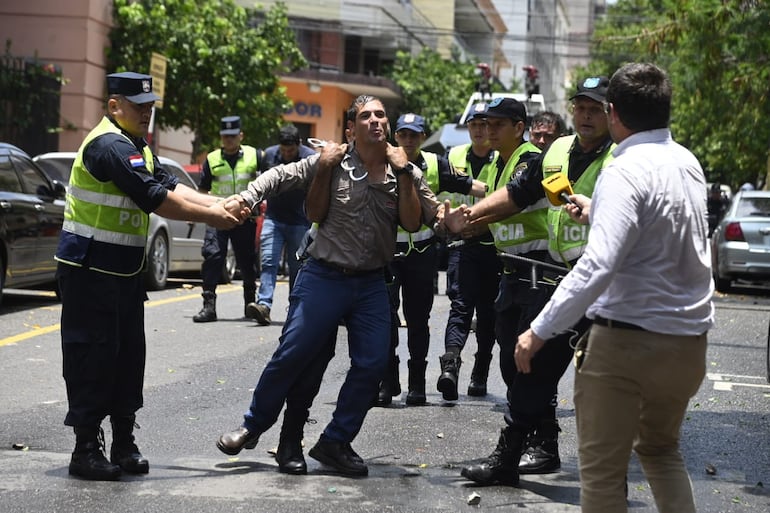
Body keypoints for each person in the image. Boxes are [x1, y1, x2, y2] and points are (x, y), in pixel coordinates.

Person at [516, 62, 713, 513]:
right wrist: (598, 208)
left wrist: (538, 330)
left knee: (602, 477)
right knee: (661, 451)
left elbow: (598, 265)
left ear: (613, 112)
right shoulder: (687, 163)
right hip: (687, 345)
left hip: (626, 343)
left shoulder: (623, 170)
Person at [216, 95, 440, 477]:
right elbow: (279, 176)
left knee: (372, 364)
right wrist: (246, 197)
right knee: (296, 355)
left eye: (381, 115)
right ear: (351, 128)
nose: (375, 121)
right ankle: (254, 427)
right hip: (324, 275)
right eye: (366, 116)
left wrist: (462, 214)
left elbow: (425, 218)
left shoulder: (405, 169)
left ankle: (335, 441)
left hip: (371, 282)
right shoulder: (330, 161)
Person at [55, 72, 246, 481]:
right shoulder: (108, 145)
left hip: (122, 272)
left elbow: (170, 183)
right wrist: (216, 216)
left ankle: (124, 440)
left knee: (127, 357)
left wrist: (219, 201)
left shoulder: (136, 145)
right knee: (91, 356)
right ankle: (85, 448)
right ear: (114, 106)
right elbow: (155, 198)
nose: (147, 112)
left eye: (150, 105)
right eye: (138, 105)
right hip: (89, 272)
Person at [446, 77, 615, 484]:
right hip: (562, 281)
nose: (587, 116)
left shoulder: (620, 159)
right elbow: (518, 194)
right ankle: (527, 451)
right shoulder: (555, 150)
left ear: (611, 113)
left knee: (602, 385)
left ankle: (601, 472)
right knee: (530, 364)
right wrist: (470, 216)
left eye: (596, 109)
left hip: (607, 287)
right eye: (581, 107)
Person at [377, 112, 486, 406]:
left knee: (418, 320)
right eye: (403, 134)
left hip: (423, 253)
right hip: (387, 253)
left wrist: (510, 196)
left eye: (414, 135)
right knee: (385, 319)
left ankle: (416, 385)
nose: (409, 140)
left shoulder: (437, 164)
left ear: (423, 137)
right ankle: (388, 382)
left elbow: (472, 186)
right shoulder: (379, 162)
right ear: (395, 136)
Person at [437, 104, 500, 399]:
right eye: (473, 123)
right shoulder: (454, 156)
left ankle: (481, 371)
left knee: (488, 313)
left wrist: (484, 225)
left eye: (484, 123)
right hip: (462, 245)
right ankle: (450, 366)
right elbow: (447, 196)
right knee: (460, 306)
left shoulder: (502, 158)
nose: (478, 128)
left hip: (493, 248)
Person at [193, 115, 262, 323]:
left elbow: (263, 184)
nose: (229, 140)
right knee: (213, 256)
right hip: (217, 216)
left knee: (246, 261)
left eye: (233, 136)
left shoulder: (255, 155)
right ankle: (209, 306)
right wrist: (205, 211)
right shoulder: (212, 159)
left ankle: (250, 303)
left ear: (241, 135)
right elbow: (203, 190)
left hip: (244, 217)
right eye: (225, 136)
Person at [246, 125, 316, 325]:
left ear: (299, 145)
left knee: (297, 267)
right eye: (284, 150)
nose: (286, 154)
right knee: (268, 261)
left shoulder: (309, 158)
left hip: (300, 221)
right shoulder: (268, 155)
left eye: (291, 151)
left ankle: (294, 309)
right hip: (273, 218)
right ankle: (263, 305)